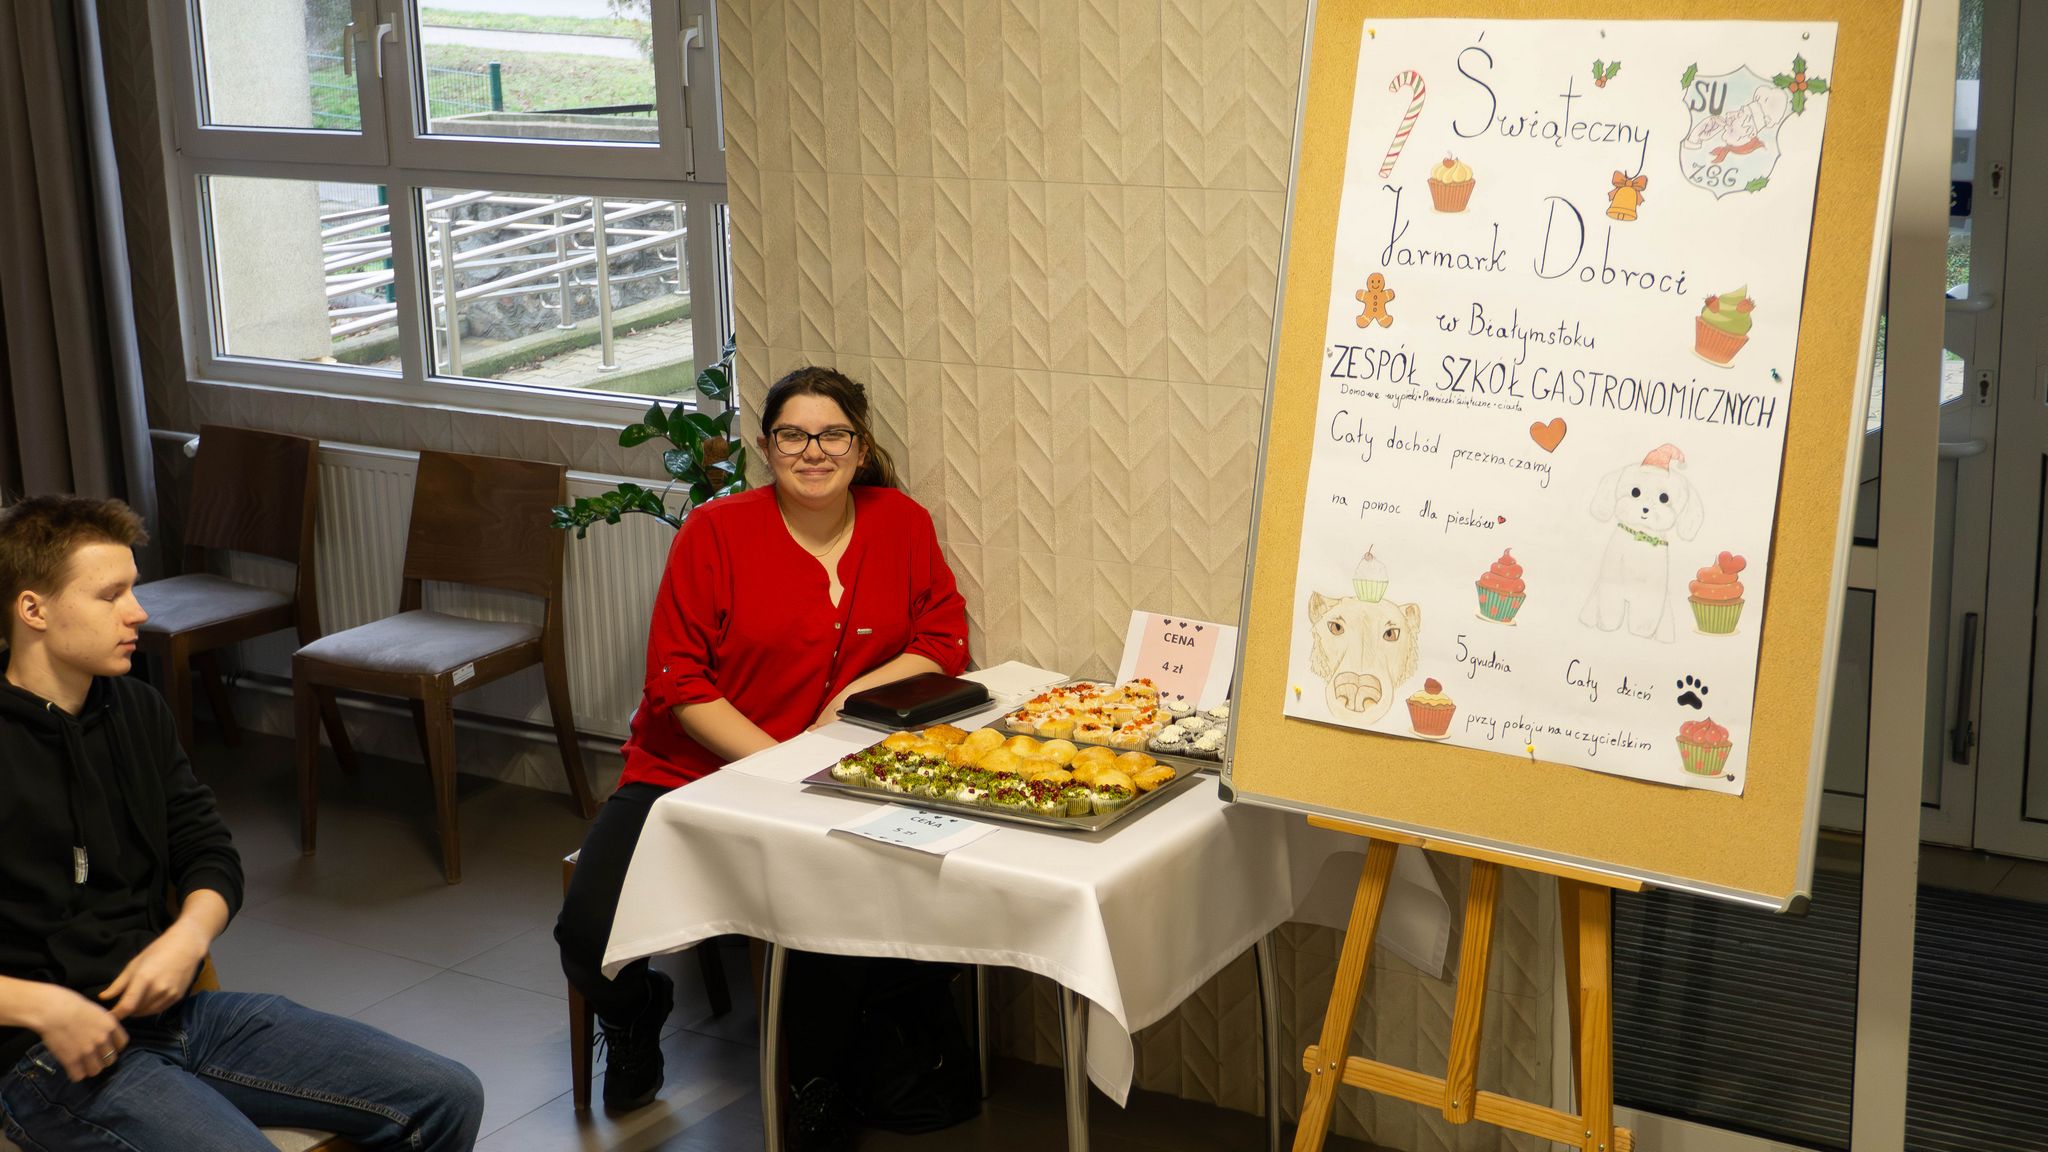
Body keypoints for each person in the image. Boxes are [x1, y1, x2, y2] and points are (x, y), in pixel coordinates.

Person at [0, 496, 485, 1152]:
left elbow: (208, 850)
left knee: (447, 1092)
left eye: (133, 590)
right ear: (33, 610)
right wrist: (44, 1006)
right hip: (47, 1057)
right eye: (110, 596)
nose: (138, 612)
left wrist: (186, 938)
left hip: (177, 1016)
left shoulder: (137, 709)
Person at [556, 366, 971, 1111]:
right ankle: (635, 1013)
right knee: (586, 937)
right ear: (766, 445)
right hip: (689, 770)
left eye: (833, 435)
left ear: (861, 446)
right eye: (792, 436)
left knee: (837, 923)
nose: (814, 452)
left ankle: (816, 1085)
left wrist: (848, 699)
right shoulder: (716, 532)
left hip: (828, 773)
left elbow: (942, 640)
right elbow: (679, 682)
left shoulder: (900, 522)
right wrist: (779, 764)